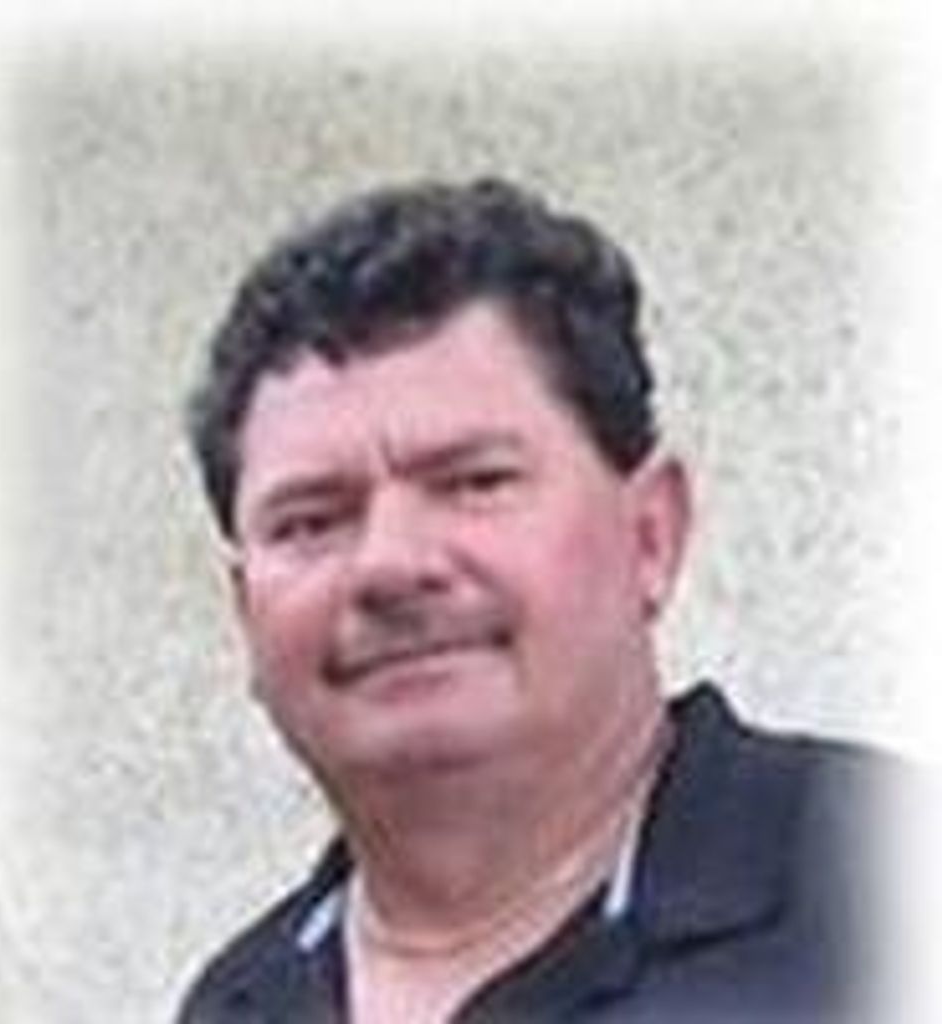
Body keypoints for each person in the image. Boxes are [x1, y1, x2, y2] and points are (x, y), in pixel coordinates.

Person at [178, 179, 884, 1023]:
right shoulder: (239, 1004)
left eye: (475, 482)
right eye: (312, 521)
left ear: (651, 535)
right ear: (245, 612)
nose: (391, 565)